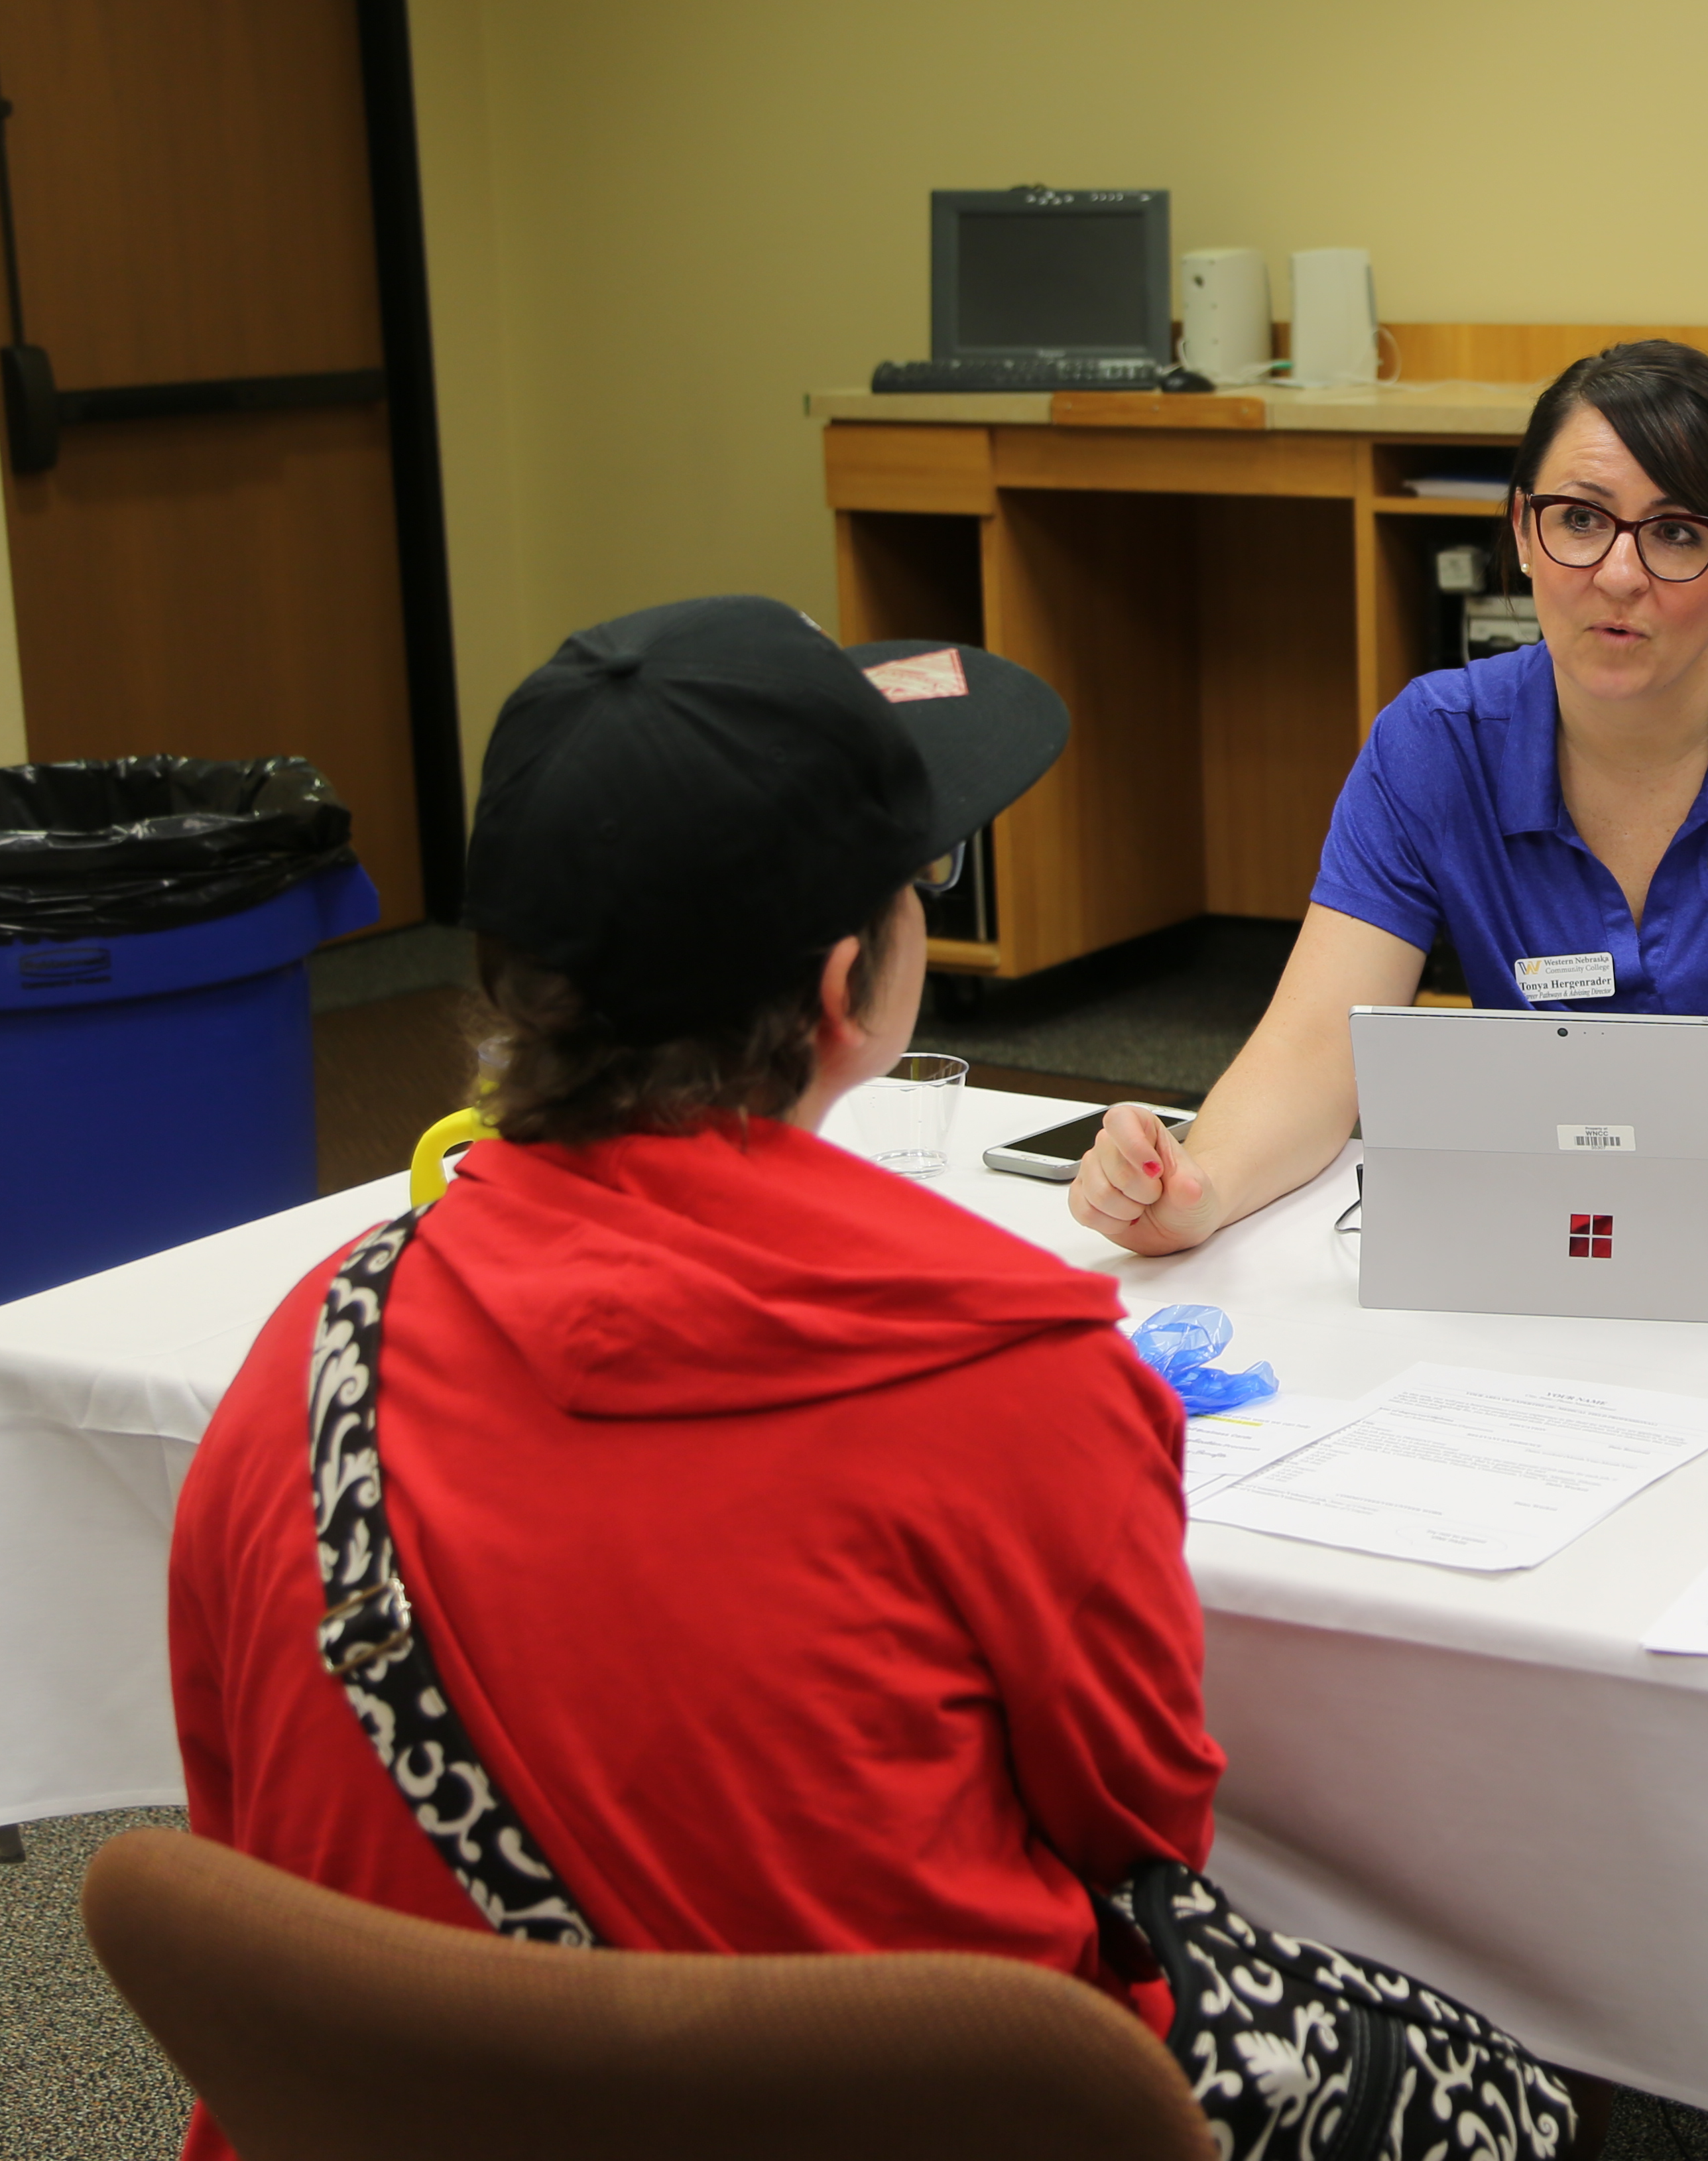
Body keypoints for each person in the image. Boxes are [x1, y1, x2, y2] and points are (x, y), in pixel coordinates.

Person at [164, 598, 1215, 2157]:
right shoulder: (1020, 1383)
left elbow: (236, 1814)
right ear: (849, 988)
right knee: (1491, 2081)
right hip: (923, 2125)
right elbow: (1146, 1844)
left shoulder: (314, 1351)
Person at [1073, 339, 1708, 1331]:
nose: (1618, 574)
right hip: (1563, 1229)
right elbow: (1311, 1052)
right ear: (1522, 531)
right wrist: (1198, 1188)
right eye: (1579, 519)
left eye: (1679, 534)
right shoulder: (1434, 744)